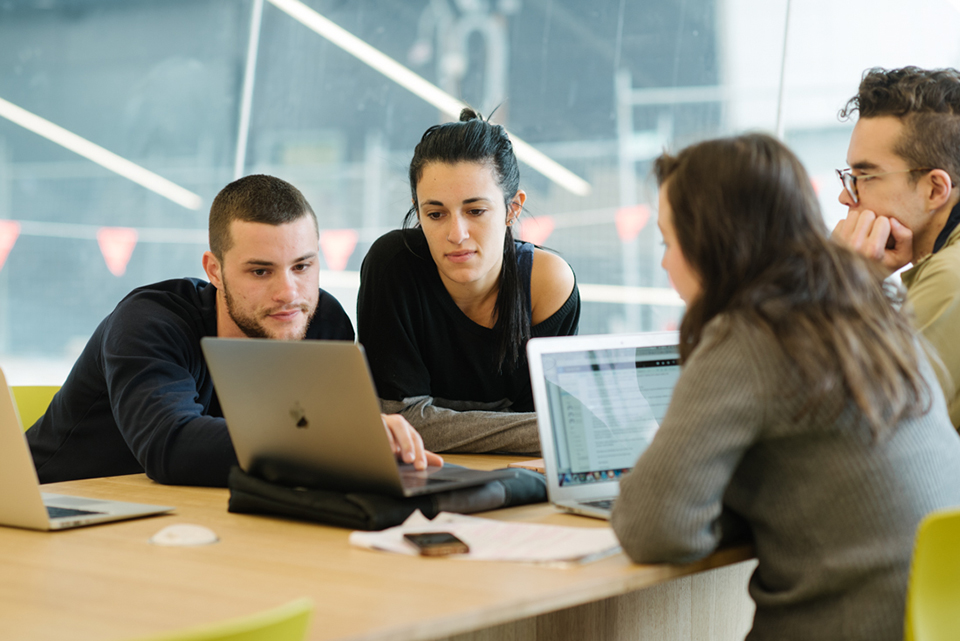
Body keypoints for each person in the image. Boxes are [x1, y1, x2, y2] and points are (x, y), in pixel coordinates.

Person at [610, 134, 960, 641]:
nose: (665, 263)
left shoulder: (752, 335)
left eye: (669, 242)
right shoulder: (872, 308)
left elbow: (652, 528)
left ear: (713, 242)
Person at [27, 174, 440, 487]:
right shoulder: (148, 323)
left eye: (302, 266)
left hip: (180, 522)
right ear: (214, 271)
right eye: (261, 271)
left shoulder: (321, 321)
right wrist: (332, 443)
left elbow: (302, 441)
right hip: (51, 514)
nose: (288, 293)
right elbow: (170, 445)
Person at [357, 109, 580, 454]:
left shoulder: (546, 284)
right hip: (421, 478)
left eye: (475, 211)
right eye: (435, 214)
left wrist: (553, 428)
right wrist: (549, 428)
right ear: (418, 212)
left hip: (516, 481)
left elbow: (554, 429)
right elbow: (402, 425)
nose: (456, 234)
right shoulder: (393, 267)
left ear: (512, 209)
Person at [832, 66, 960, 428]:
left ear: (935, 190)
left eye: (865, 177)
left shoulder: (951, 277)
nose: (846, 196)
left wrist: (838, 283)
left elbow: (860, 430)